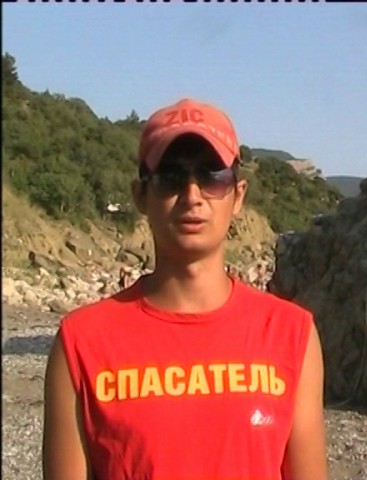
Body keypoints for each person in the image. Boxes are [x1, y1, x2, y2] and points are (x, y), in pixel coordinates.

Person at [42, 98, 328, 480]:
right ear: (140, 195)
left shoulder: (291, 334)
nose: (192, 196)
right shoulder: (81, 343)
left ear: (238, 195)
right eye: (171, 176)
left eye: (212, 176)